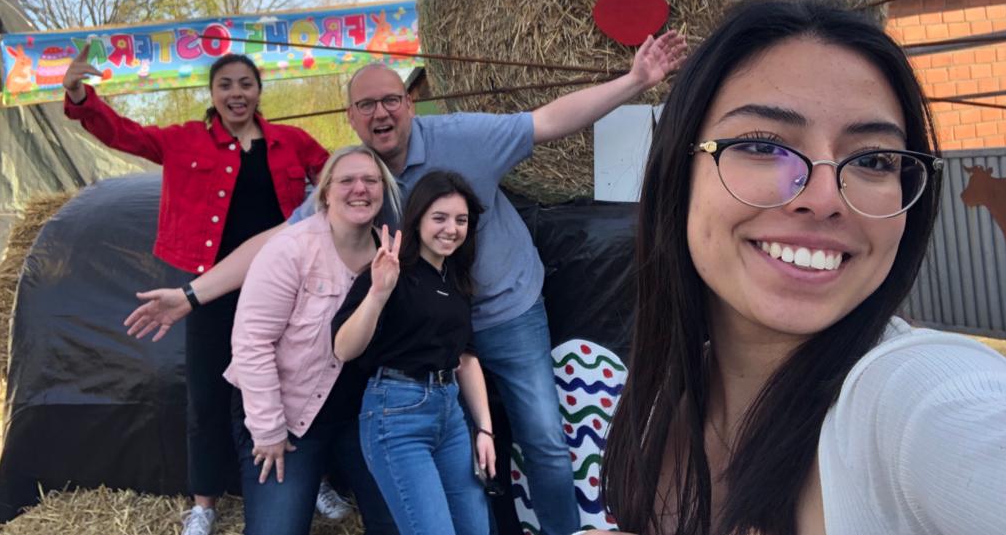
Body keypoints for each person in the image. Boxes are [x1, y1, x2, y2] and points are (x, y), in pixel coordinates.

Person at [125, 29, 689, 535]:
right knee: (464, 455)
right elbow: (272, 242)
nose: (380, 113)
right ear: (349, 118)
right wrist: (191, 293)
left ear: (410, 104)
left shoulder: (464, 139)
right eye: (365, 104)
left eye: (390, 99)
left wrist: (635, 80)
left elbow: (548, 120)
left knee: (542, 437)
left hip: (507, 310)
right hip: (432, 333)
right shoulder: (356, 183)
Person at [596, 0, 1006, 535]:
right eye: (764, 145)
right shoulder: (664, 402)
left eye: (874, 160)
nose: (823, 197)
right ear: (678, 171)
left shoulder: (911, 400)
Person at [64, 48, 329, 535]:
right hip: (208, 288)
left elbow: (336, 176)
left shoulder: (292, 142)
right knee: (207, 395)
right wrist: (81, 98)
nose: (236, 93)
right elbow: (126, 133)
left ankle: (315, 482)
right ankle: (204, 502)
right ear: (212, 93)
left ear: (258, 91)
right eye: (226, 84)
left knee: (293, 383)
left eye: (245, 84)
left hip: (282, 287)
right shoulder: (185, 140)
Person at [224, 144, 400, 535]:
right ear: (324, 193)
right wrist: (268, 430)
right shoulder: (292, 248)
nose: (360, 189)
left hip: (359, 416)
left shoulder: (391, 253)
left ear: (383, 191)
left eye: (371, 180)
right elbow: (251, 342)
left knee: (399, 519)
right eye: (347, 180)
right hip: (287, 413)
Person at [332, 171, 496, 535]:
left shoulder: (455, 280)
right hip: (396, 414)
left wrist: (484, 429)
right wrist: (378, 292)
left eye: (461, 220)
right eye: (439, 218)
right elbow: (343, 348)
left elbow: (466, 359)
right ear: (418, 218)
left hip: (450, 414)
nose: (451, 229)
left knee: (476, 528)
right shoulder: (390, 272)